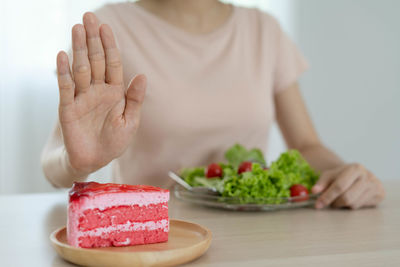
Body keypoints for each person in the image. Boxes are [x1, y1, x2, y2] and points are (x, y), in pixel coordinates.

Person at [41, 0, 384, 209]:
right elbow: (53, 164)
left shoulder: (262, 28)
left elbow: (307, 146)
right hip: (154, 240)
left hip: (255, 234)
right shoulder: (106, 29)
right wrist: (76, 161)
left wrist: (345, 175)